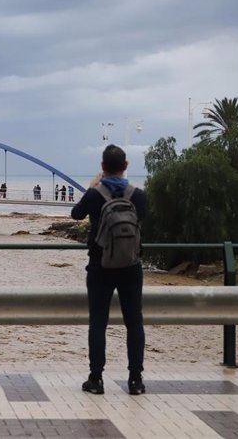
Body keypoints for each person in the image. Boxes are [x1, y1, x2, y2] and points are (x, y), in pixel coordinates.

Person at [71, 144, 148, 396]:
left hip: (100, 266)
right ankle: (135, 380)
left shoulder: (95, 194)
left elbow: (75, 214)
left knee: (98, 323)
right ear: (125, 166)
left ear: (103, 167)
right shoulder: (138, 195)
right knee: (134, 322)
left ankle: (96, 379)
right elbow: (144, 219)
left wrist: (93, 187)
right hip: (131, 266)